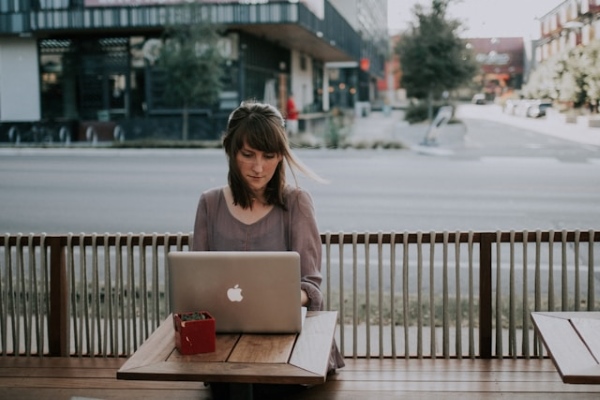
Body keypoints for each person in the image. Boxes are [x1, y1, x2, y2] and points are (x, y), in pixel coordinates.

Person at [191, 100, 344, 399]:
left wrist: (273, 298)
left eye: (269, 156)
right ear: (231, 151)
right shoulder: (210, 203)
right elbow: (196, 282)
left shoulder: (297, 202)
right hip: (224, 345)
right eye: (248, 155)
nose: (259, 168)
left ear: (281, 156)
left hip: (289, 347)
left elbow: (312, 289)